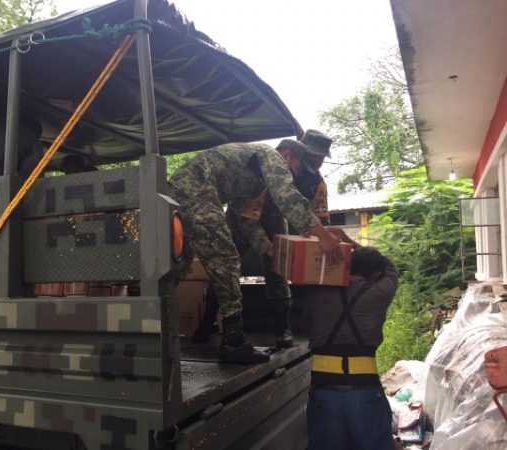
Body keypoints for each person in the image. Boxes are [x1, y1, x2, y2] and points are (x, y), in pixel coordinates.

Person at [168, 141, 343, 365]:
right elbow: (286, 196)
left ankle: (152, 324)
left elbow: (251, 215)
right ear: (287, 155)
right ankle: (233, 341)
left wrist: (315, 231)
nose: (296, 174)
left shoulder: (256, 175)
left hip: (179, 194)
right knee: (226, 262)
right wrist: (322, 236)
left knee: (178, 264)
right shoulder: (271, 157)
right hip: (196, 192)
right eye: (298, 167)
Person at [301, 232, 398, 450]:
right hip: (365, 392)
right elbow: (390, 268)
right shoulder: (379, 293)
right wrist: (351, 242)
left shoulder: (317, 293)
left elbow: (305, 327)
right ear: (375, 275)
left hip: (324, 393)